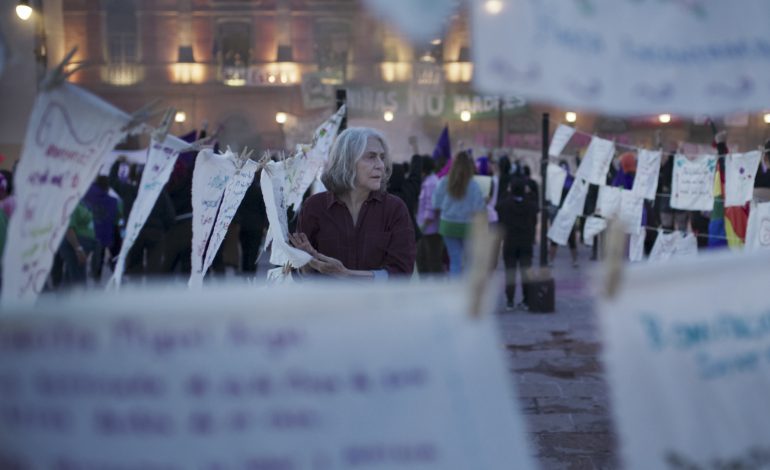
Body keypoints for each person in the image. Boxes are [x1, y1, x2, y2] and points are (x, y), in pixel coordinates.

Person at [291, 127, 415, 279]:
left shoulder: (394, 208)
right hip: (327, 301)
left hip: (379, 302)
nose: (380, 165)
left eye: (382, 157)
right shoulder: (315, 207)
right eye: (371, 157)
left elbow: (401, 274)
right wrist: (307, 261)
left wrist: (347, 274)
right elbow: (301, 275)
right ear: (347, 161)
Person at [431, 151, 486, 276]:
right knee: (469, 262)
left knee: (454, 261)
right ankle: (466, 292)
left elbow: (435, 203)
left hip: (448, 225)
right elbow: (479, 209)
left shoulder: (444, 182)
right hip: (468, 226)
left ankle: (455, 291)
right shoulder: (473, 185)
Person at [496, 180, 538, 311]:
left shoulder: (504, 205)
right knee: (527, 270)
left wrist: (507, 192)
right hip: (526, 241)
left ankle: (510, 300)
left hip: (510, 241)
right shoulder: (531, 205)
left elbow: (498, 206)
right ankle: (527, 299)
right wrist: (529, 193)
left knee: (510, 271)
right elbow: (535, 209)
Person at [415, 157, 444, 274]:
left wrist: (423, 227)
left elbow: (430, 207)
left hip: (430, 230)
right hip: (426, 229)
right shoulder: (428, 181)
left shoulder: (431, 183)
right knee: (422, 261)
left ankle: (438, 290)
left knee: (433, 262)